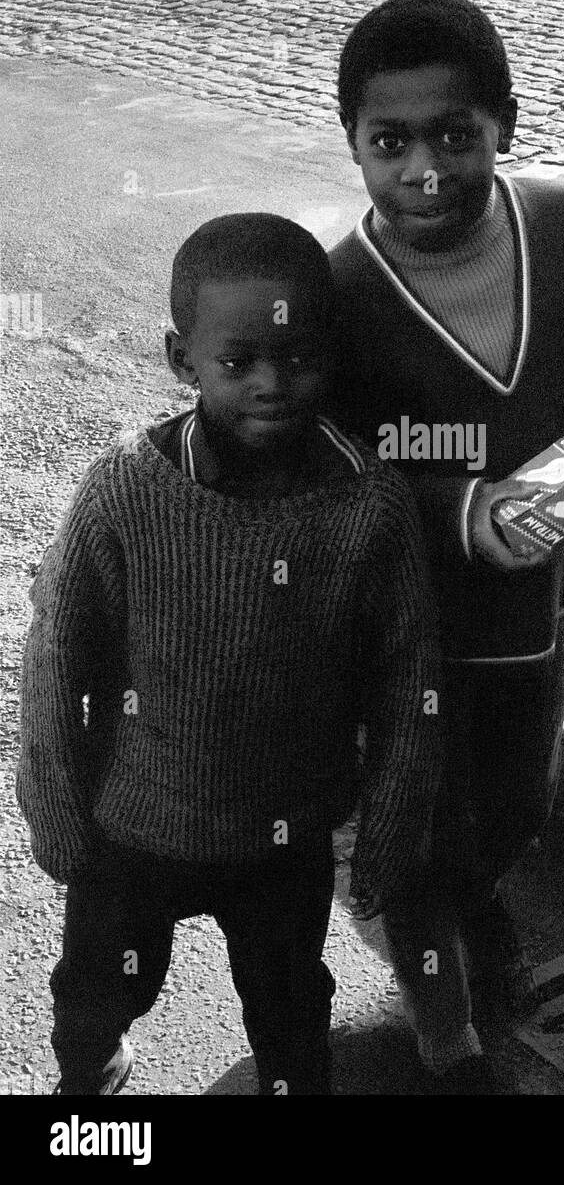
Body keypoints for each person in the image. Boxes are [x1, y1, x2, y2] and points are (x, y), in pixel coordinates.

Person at [326, 0, 564, 1093]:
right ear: (355, 146)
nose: (423, 169)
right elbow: (323, 475)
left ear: (505, 125)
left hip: (537, 618)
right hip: (402, 637)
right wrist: (462, 509)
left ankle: (482, 902)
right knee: (410, 832)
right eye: (391, 143)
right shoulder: (336, 298)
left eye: (454, 135)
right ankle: (450, 1033)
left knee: (515, 805)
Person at [17, 212, 443, 1096]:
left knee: (291, 1015)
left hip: (284, 837)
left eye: (298, 358)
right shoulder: (128, 493)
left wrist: (391, 827)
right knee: (94, 999)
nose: (272, 385)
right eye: (237, 361)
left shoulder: (369, 508)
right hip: (134, 832)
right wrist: (56, 810)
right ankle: (90, 1083)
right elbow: (58, 659)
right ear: (182, 360)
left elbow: (409, 679)